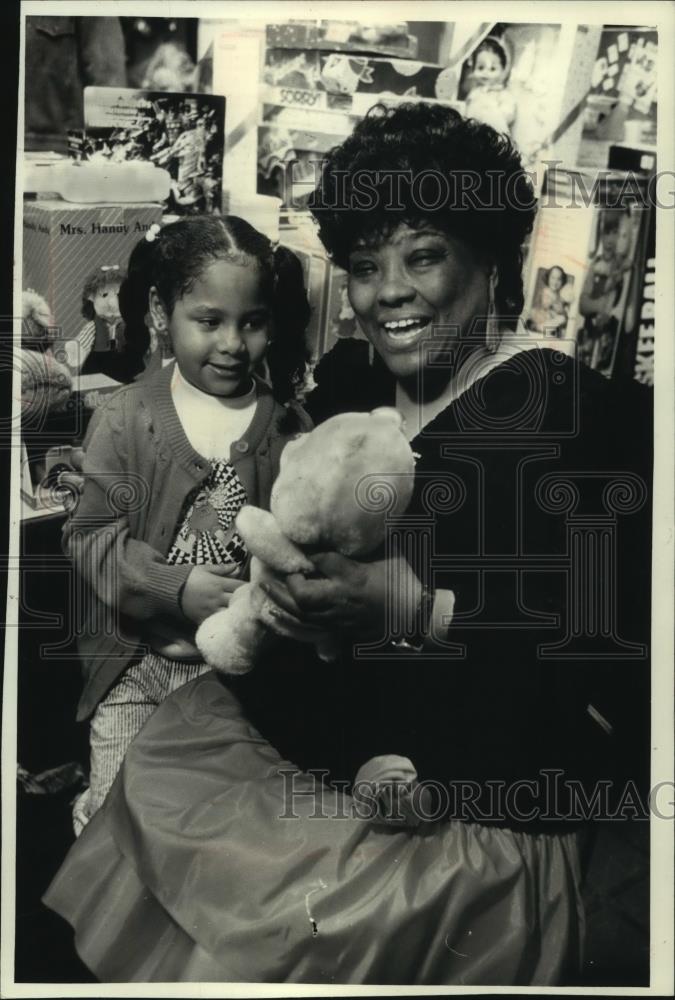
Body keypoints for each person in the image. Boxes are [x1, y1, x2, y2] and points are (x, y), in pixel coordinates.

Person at [44, 105, 651, 985]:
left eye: (423, 254)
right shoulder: (347, 385)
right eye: (365, 265)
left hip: (451, 829)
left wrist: (409, 607)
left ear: (491, 257)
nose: (387, 291)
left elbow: (607, 683)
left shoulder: (575, 418)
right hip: (292, 759)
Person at [62, 215, 311, 833]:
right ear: (159, 310)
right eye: (209, 321)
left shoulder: (285, 428)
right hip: (133, 669)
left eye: (251, 322)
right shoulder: (124, 417)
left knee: (212, 834)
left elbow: (297, 543)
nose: (232, 343)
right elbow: (89, 537)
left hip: (235, 681)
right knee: (116, 829)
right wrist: (175, 588)